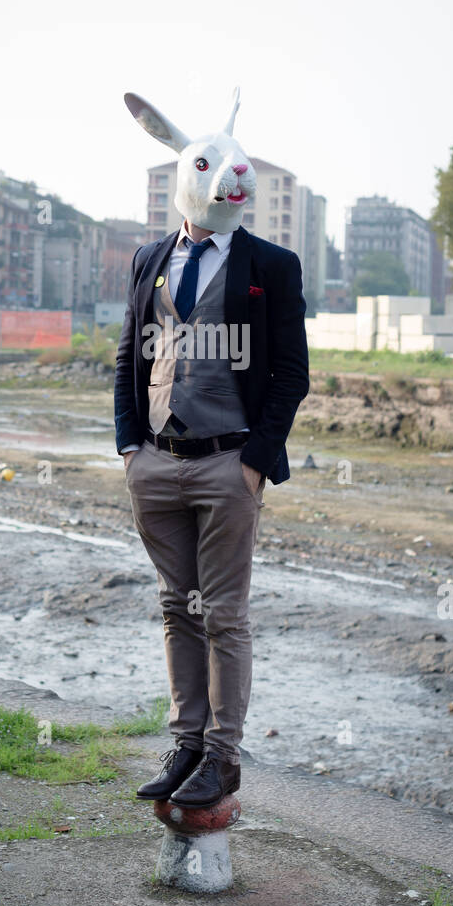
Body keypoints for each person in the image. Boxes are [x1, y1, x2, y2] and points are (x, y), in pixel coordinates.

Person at [115, 87, 309, 808]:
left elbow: (292, 373)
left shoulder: (271, 265)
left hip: (230, 464)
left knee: (222, 614)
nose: (232, 180)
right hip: (156, 464)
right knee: (176, 607)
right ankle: (186, 745)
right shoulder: (148, 259)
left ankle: (222, 758)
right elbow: (126, 358)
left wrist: (255, 461)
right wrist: (129, 446)